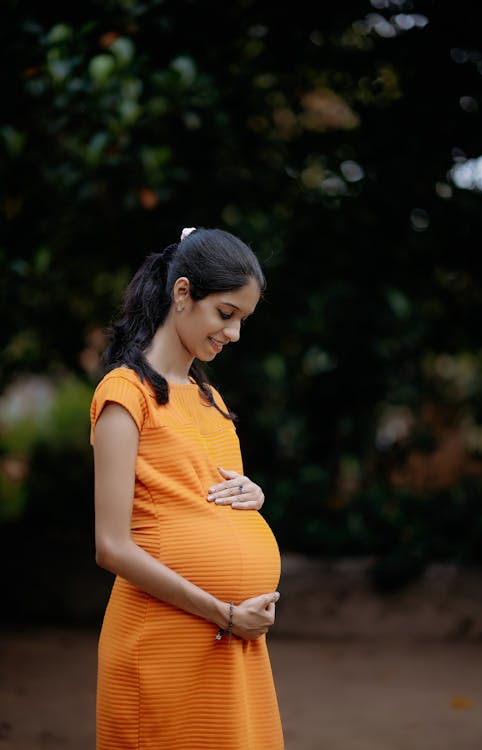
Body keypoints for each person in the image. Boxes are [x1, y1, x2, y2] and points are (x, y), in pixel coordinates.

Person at [90, 226, 284, 750]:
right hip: (165, 644)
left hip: (230, 643)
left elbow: (202, 495)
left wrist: (253, 499)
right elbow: (111, 547)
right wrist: (224, 613)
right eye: (226, 314)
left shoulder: (209, 399)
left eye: (244, 319)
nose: (235, 334)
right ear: (182, 294)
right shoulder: (123, 395)